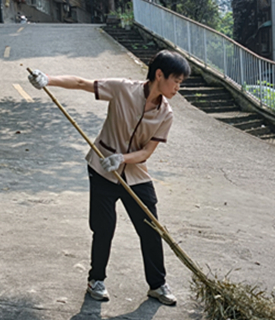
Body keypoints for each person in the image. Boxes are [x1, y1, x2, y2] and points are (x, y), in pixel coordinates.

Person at [27, 50, 191, 306]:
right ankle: (96, 280)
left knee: (151, 228)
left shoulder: (165, 114)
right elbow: (82, 83)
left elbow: (147, 151)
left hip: (135, 174)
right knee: (104, 227)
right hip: (102, 168)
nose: (178, 88)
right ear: (159, 75)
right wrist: (48, 79)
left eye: (181, 83)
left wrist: (122, 159)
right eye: (176, 81)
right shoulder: (123, 89)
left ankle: (157, 285)